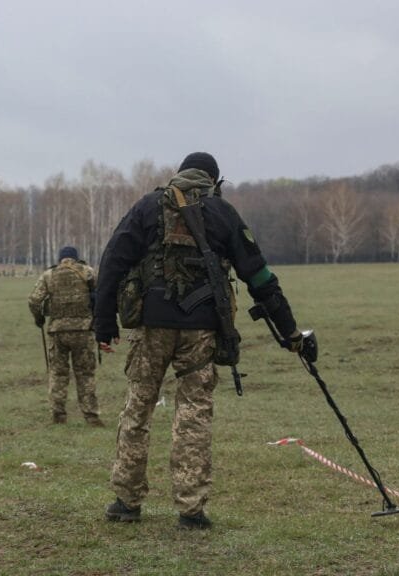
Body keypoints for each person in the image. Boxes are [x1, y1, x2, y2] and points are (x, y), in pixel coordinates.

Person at [95, 152, 311, 529]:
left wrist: (103, 322)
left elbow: (112, 260)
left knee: (138, 408)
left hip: (151, 327)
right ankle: (190, 509)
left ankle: (126, 502)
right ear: (214, 181)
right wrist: (290, 331)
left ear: (180, 175)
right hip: (201, 329)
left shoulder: (147, 207)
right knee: (193, 413)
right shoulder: (222, 214)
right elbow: (259, 277)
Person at [28, 246, 104, 426]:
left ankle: (58, 415)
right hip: (83, 331)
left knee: (58, 374)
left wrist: (39, 319)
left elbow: (33, 300)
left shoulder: (49, 275)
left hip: (57, 331)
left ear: (60, 258)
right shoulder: (87, 272)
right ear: (76, 258)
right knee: (85, 374)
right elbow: (101, 296)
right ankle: (91, 416)